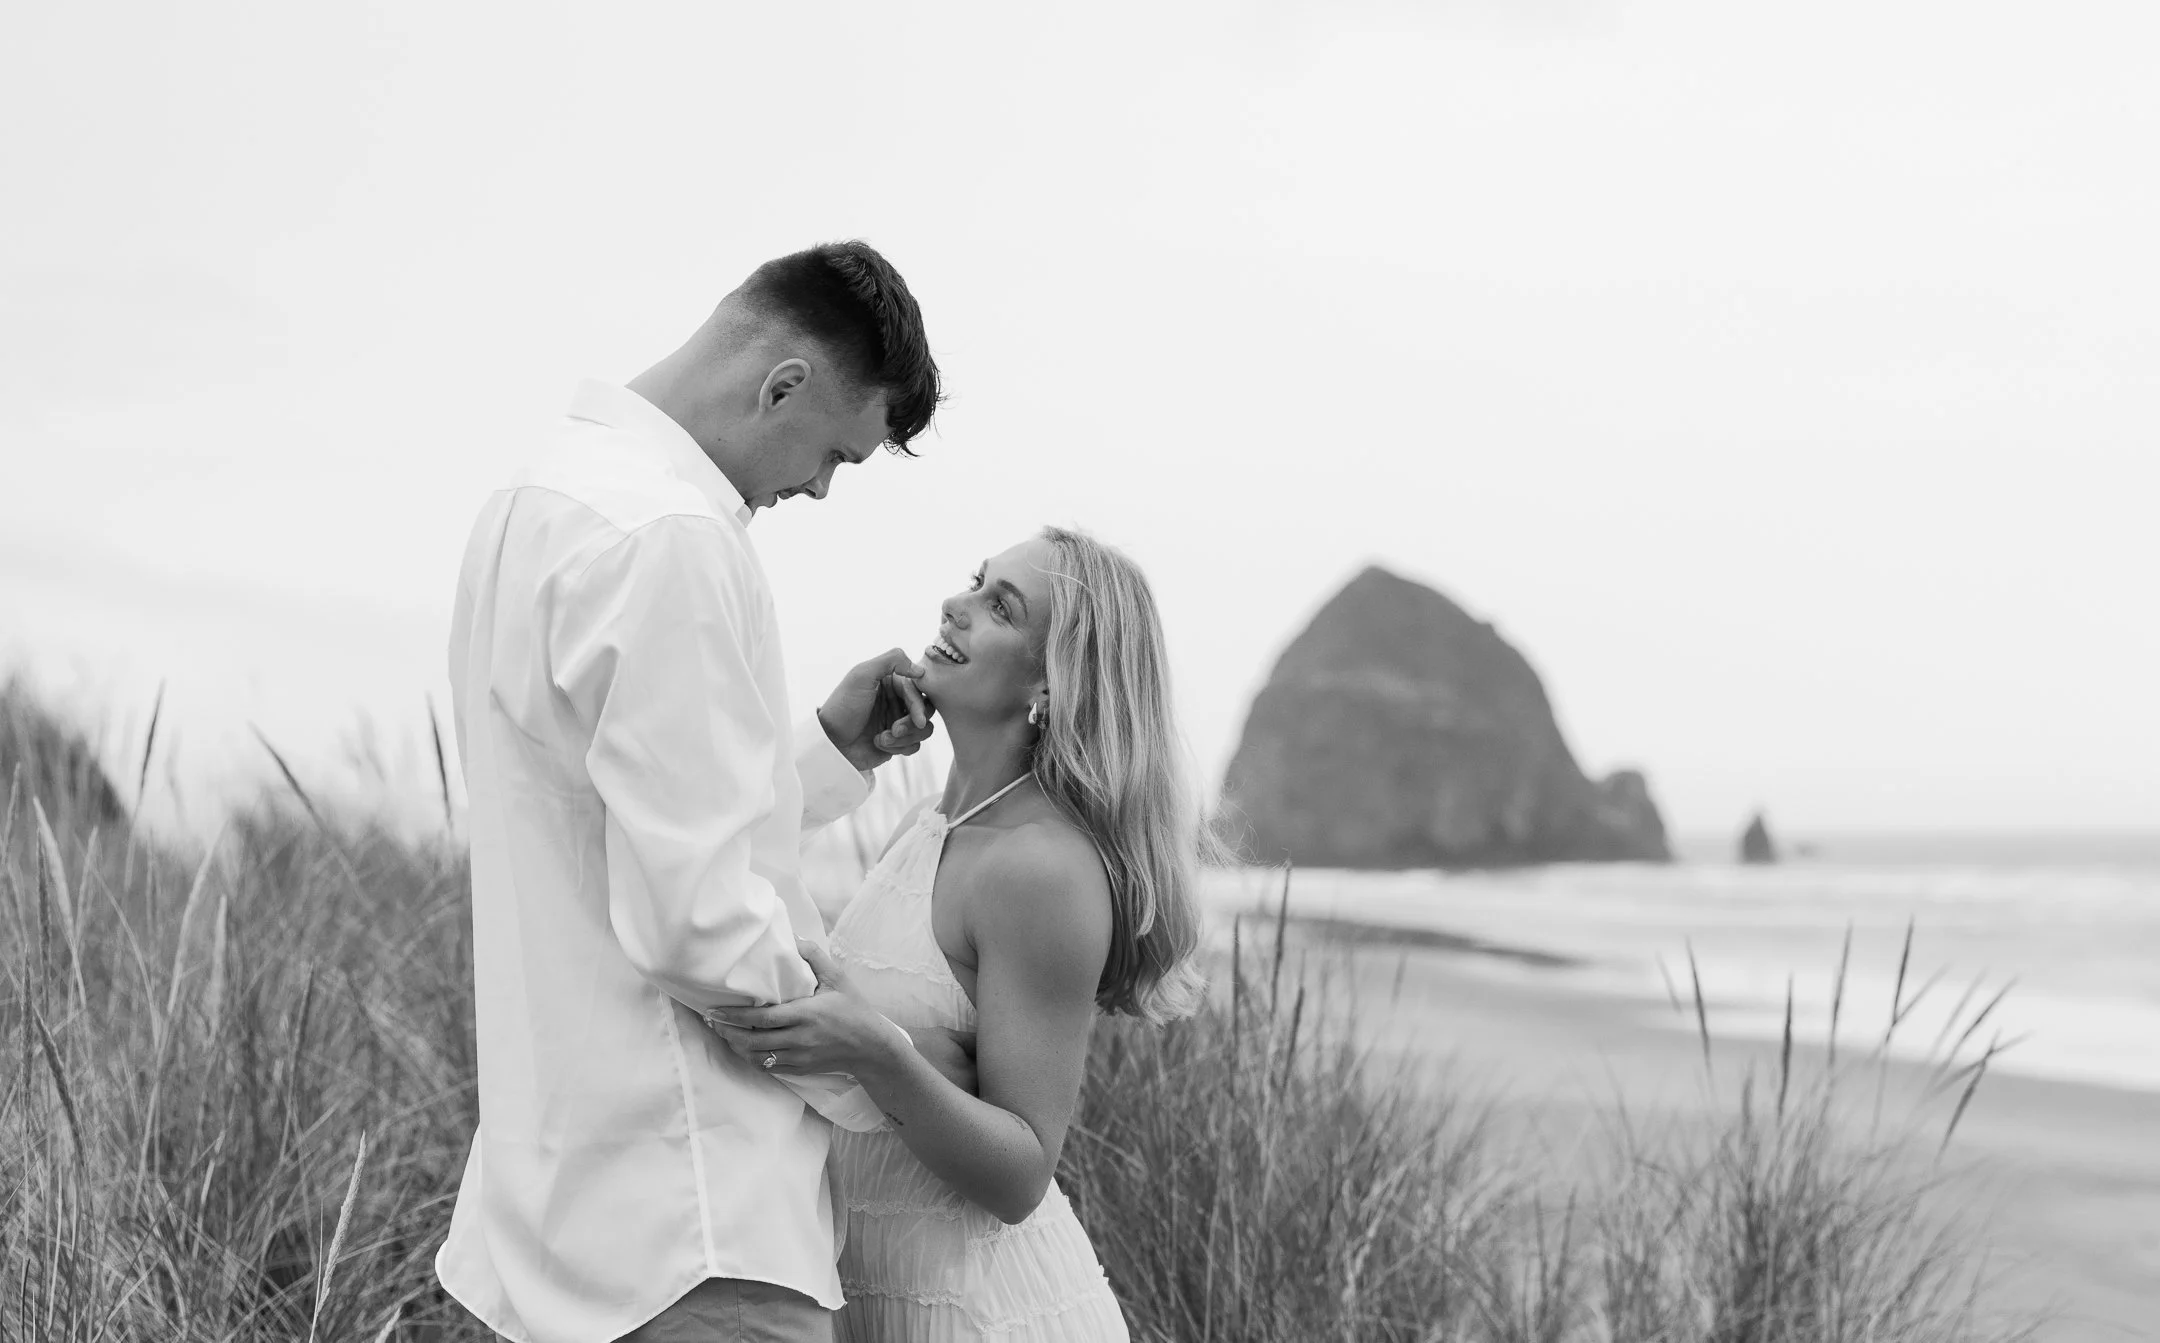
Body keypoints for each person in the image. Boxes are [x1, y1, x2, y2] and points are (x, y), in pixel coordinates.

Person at [438, 241, 964, 1343]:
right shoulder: (674, 539)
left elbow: (605, 814)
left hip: (557, 1220)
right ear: (783, 383)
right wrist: (880, 1075)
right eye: (836, 452)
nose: (818, 486)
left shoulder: (531, 503)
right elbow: (700, 923)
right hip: (696, 1231)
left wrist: (823, 752)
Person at [705, 528, 1209, 1342]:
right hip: (879, 1291)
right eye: (977, 581)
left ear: (1053, 679)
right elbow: (728, 870)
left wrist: (878, 1050)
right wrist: (837, 742)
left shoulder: (1040, 867)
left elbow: (1020, 1172)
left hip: (983, 1312)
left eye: (999, 606)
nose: (956, 604)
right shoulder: (927, 822)